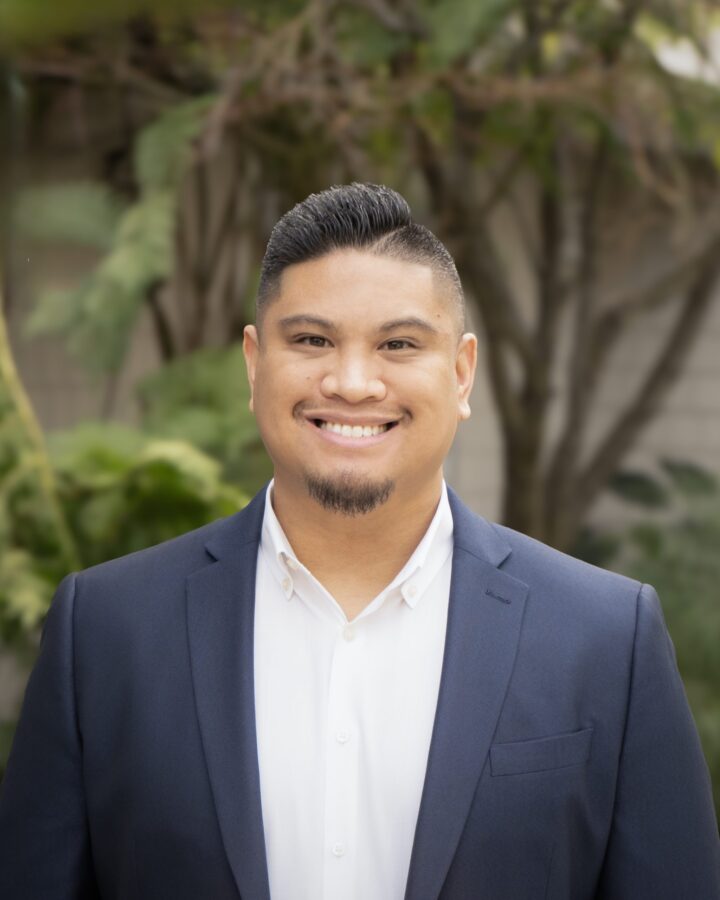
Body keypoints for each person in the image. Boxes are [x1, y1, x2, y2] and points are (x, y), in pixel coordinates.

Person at [0, 183, 718, 900]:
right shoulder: (103, 630)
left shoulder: (605, 638)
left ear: (462, 372)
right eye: (312, 340)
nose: (350, 382)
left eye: (398, 344)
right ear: (254, 365)